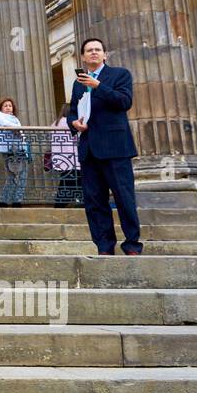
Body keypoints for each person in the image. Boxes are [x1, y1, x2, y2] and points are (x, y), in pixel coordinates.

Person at [68, 37, 143, 255]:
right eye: (89, 50)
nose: (93, 53)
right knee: (94, 202)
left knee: (124, 197)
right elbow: (73, 110)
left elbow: (124, 102)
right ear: (82, 56)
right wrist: (74, 123)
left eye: (97, 50)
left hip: (116, 148)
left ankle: (132, 245)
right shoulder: (77, 82)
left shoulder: (120, 75)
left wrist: (98, 86)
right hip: (89, 149)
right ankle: (104, 246)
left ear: (104, 55)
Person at [0, 98, 29, 207]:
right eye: (5, 105)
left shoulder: (15, 118)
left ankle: (17, 200)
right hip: (8, 150)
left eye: (10, 106)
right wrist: (17, 129)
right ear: (1, 107)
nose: (8, 107)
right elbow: (6, 125)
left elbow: (21, 133)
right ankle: (5, 201)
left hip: (20, 149)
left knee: (23, 175)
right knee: (12, 175)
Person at [48, 103, 82, 207]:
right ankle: (60, 205)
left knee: (67, 182)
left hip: (59, 159)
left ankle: (66, 204)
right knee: (71, 183)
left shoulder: (55, 123)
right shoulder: (69, 123)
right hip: (72, 159)